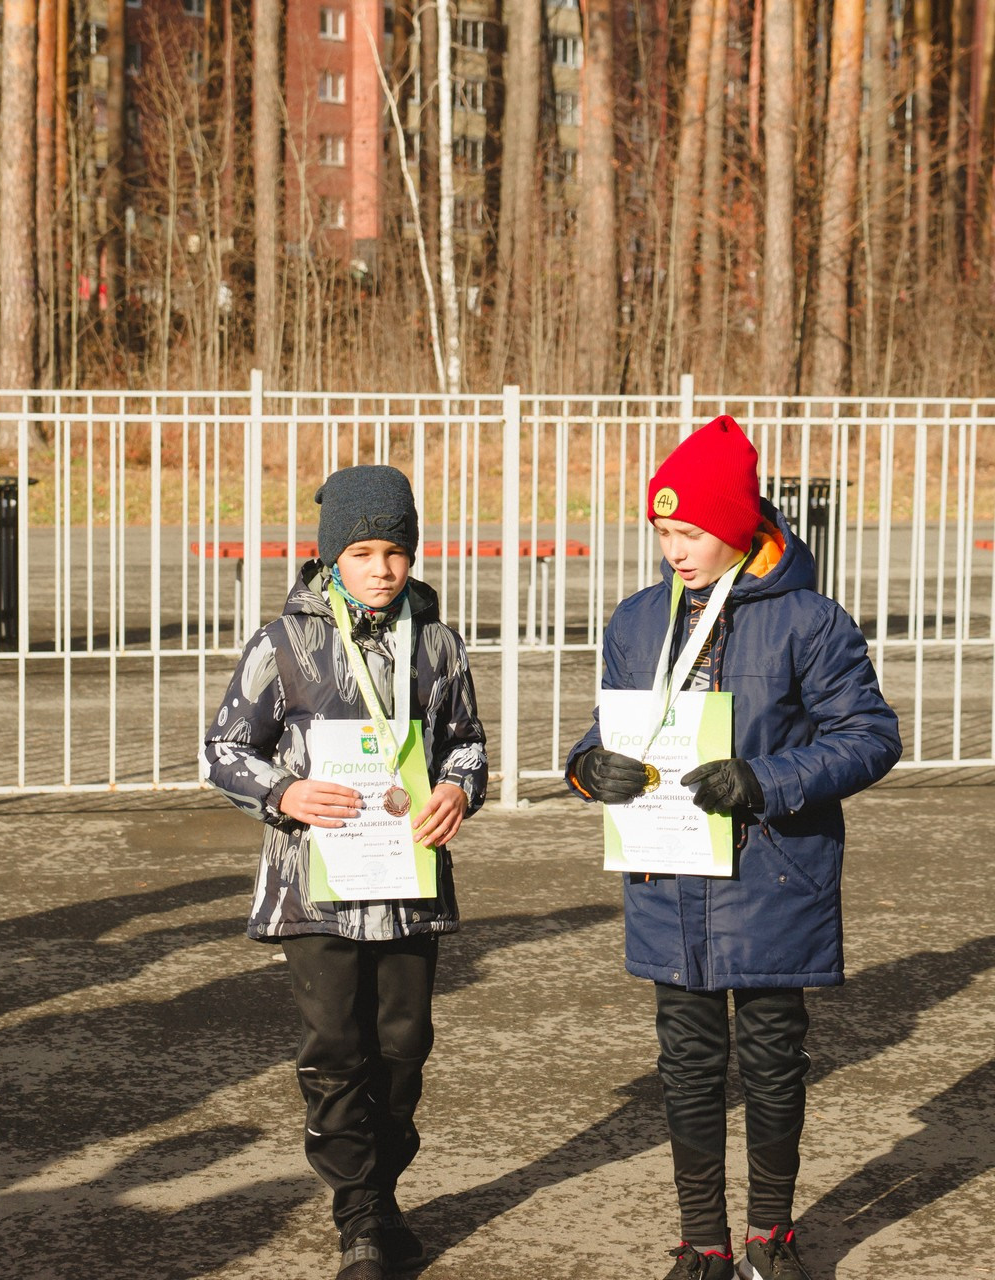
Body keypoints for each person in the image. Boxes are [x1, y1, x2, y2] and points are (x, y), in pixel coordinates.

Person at [564, 416, 901, 1280]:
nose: (675, 550)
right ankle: (702, 1240)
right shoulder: (639, 620)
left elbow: (868, 737)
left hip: (771, 874)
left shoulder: (809, 620)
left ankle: (770, 1235)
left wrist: (765, 780)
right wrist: (585, 767)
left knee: (774, 1059)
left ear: (741, 527)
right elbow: (608, 730)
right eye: (664, 533)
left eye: (692, 534)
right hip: (666, 872)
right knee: (685, 1063)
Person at [203, 465, 487, 1280]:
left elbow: (466, 741)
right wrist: (284, 790)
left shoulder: (436, 644)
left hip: (408, 885)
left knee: (404, 1047)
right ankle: (357, 1215)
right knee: (336, 1047)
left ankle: (384, 1191)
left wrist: (458, 789)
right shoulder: (282, 644)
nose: (381, 569)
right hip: (315, 888)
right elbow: (225, 750)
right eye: (362, 551)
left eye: (395, 551)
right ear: (331, 557)